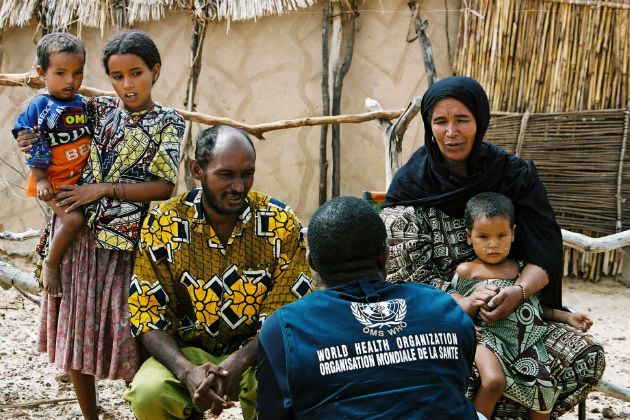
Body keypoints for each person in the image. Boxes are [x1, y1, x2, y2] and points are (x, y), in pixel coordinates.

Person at [380, 76, 604, 419]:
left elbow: (544, 248)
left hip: (518, 308)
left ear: (480, 121)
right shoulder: (411, 184)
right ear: (429, 125)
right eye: (440, 122)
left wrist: (518, 292)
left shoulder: (513, 176)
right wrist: (459, 307)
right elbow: (403, 274)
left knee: (585, 354)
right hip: (434, 314)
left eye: (462, 120)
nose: (451, 132)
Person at [17, 31, 185, 420]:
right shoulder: (98, 111)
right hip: (79, 239)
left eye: (136, 73)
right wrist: (29, 139)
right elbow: (50, 123)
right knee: (76, 329)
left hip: (127, 243)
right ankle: (90, 415)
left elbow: (164, 186)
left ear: (155, 72)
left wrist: (103, 189)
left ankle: (146, 404)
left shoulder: (168, 121)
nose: (127, 84)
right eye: (117, 76)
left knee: (131, 331)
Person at [125, 124, 313, 420]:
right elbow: (146, 312)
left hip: (258, 355)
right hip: (187, 354)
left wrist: (241, 360)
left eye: (247, 174)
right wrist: (186, 371)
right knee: (149, 394)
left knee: (290, 385)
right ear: (197, 170)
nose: (238, 186)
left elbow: (287, 314)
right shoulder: (163, 223)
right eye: (226, 174)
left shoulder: (280, 222)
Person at [257, 196, 479, 420]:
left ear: (312, 262)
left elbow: (271, 414)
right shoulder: (442, 306)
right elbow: (456, 385)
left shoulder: (285, 328)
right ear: (385, 255)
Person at [453, 192, 593, 420]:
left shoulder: (521, 271)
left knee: (543, 396)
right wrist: (463, 324)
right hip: (486, 338)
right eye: (483, 237)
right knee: (493, 381)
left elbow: (535, 309)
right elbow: (452, 303)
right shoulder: (467, 271)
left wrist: (567, 317)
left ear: (513, 234)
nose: (493, 244)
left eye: (501, 235)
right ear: (469, 237)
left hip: (527, 344)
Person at [12, 32, 89, 297]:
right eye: (61, 73)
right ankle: (51, 263)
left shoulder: (83, 105)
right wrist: (41, 178)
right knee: (73, 220)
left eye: (77, 73)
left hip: (77, 181)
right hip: (53, 181)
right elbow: (29, 139)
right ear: (42, 72)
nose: (70, 80)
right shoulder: (41, 105)